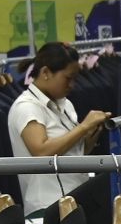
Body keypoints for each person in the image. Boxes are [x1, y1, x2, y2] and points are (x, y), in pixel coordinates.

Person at [7, 42, 110, 213]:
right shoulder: (26, 107)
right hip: (48, 207)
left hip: (75, 198)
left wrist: (91, 134)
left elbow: (75, 153)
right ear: (46, 72)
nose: (72, 85)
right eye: (68, 78)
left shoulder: (65, 104)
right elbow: (41, 152)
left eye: (75, 79)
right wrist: (83, 127)